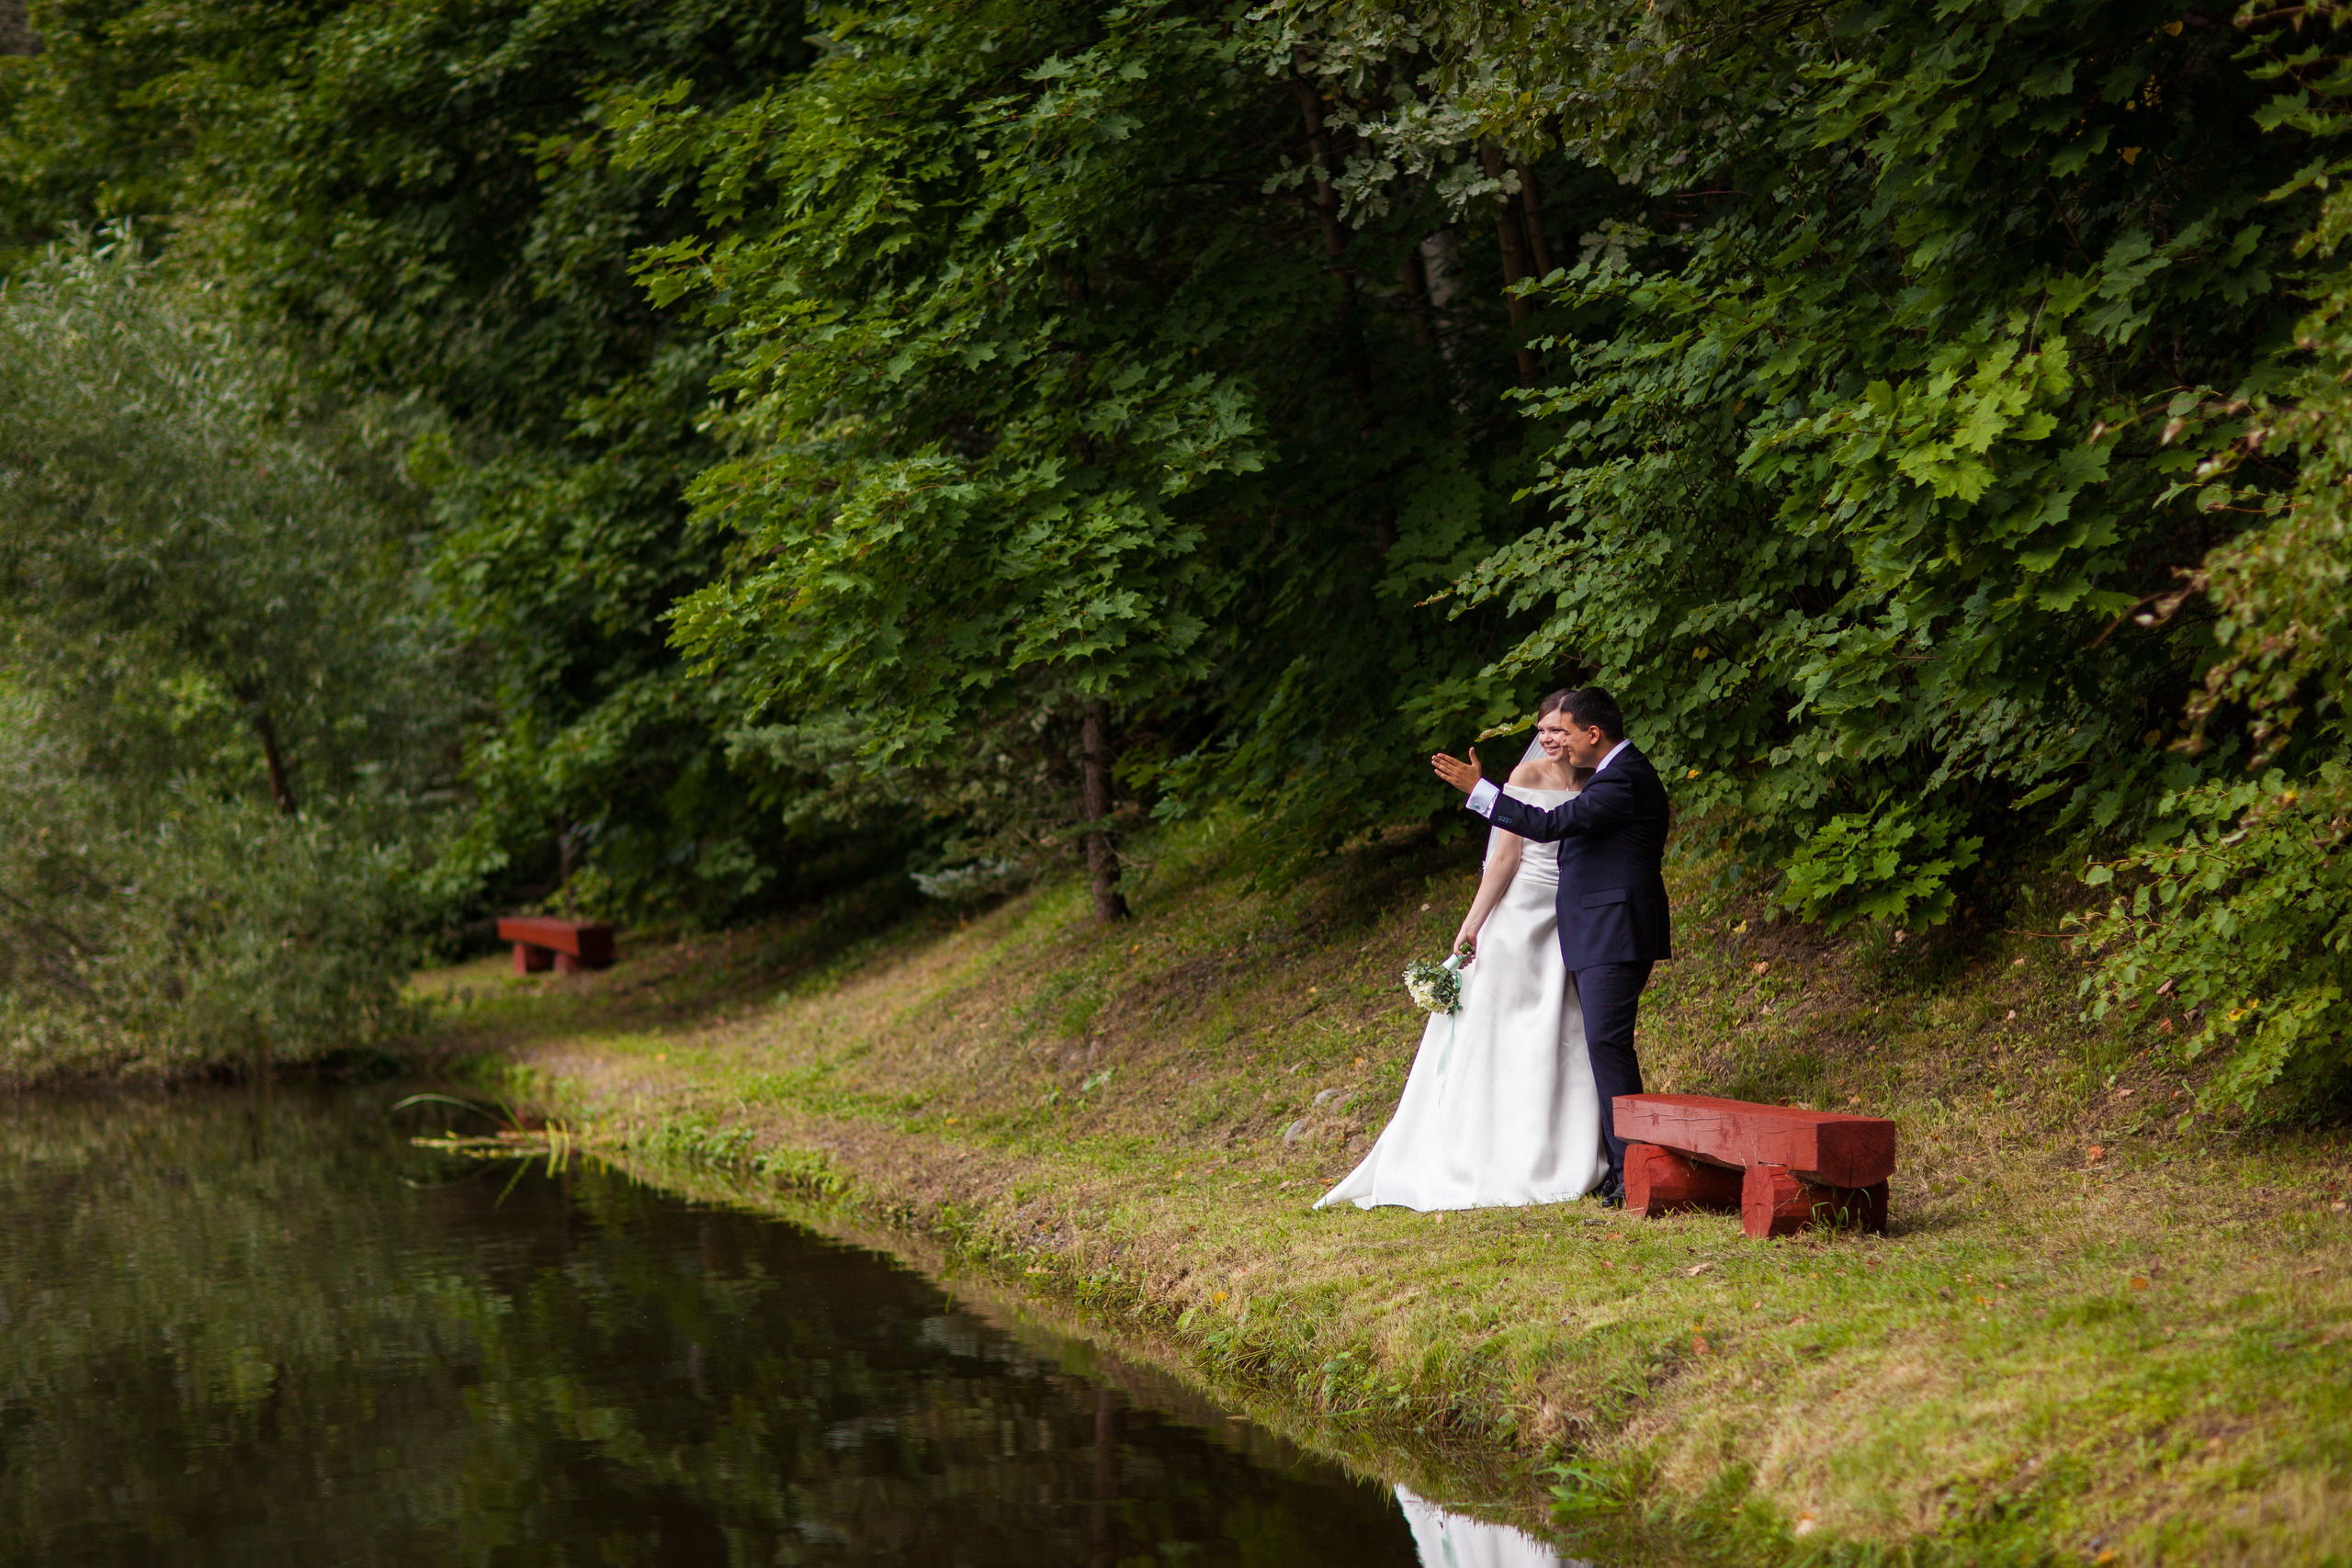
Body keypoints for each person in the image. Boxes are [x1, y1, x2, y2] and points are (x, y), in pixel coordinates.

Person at [1316, 692, 1611, 1212]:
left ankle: (1563, 1146)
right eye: (1542, 730)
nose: (1548, 739)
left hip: (1570, 918)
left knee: (1559, 1030)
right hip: (1519, 919)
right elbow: (1503, 860)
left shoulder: (1596, 782)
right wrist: (1472, 925)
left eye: (1558, 730)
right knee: (1503, 1032)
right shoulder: (1525, 779)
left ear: (1580, 731)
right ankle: (1488, 1151)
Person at [1428, 687, 1669, 1207]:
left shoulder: (1623, 778)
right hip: (1589, 927)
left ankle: (1633, 1168)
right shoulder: (1610, 775)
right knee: (1601, 1045)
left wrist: (1481, 790)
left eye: (1564, 732)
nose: (1554, 743)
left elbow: (1551, 824)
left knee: (1606, 1044)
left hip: (1613, 929)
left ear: (1591, 733)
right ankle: (1621, 1162)